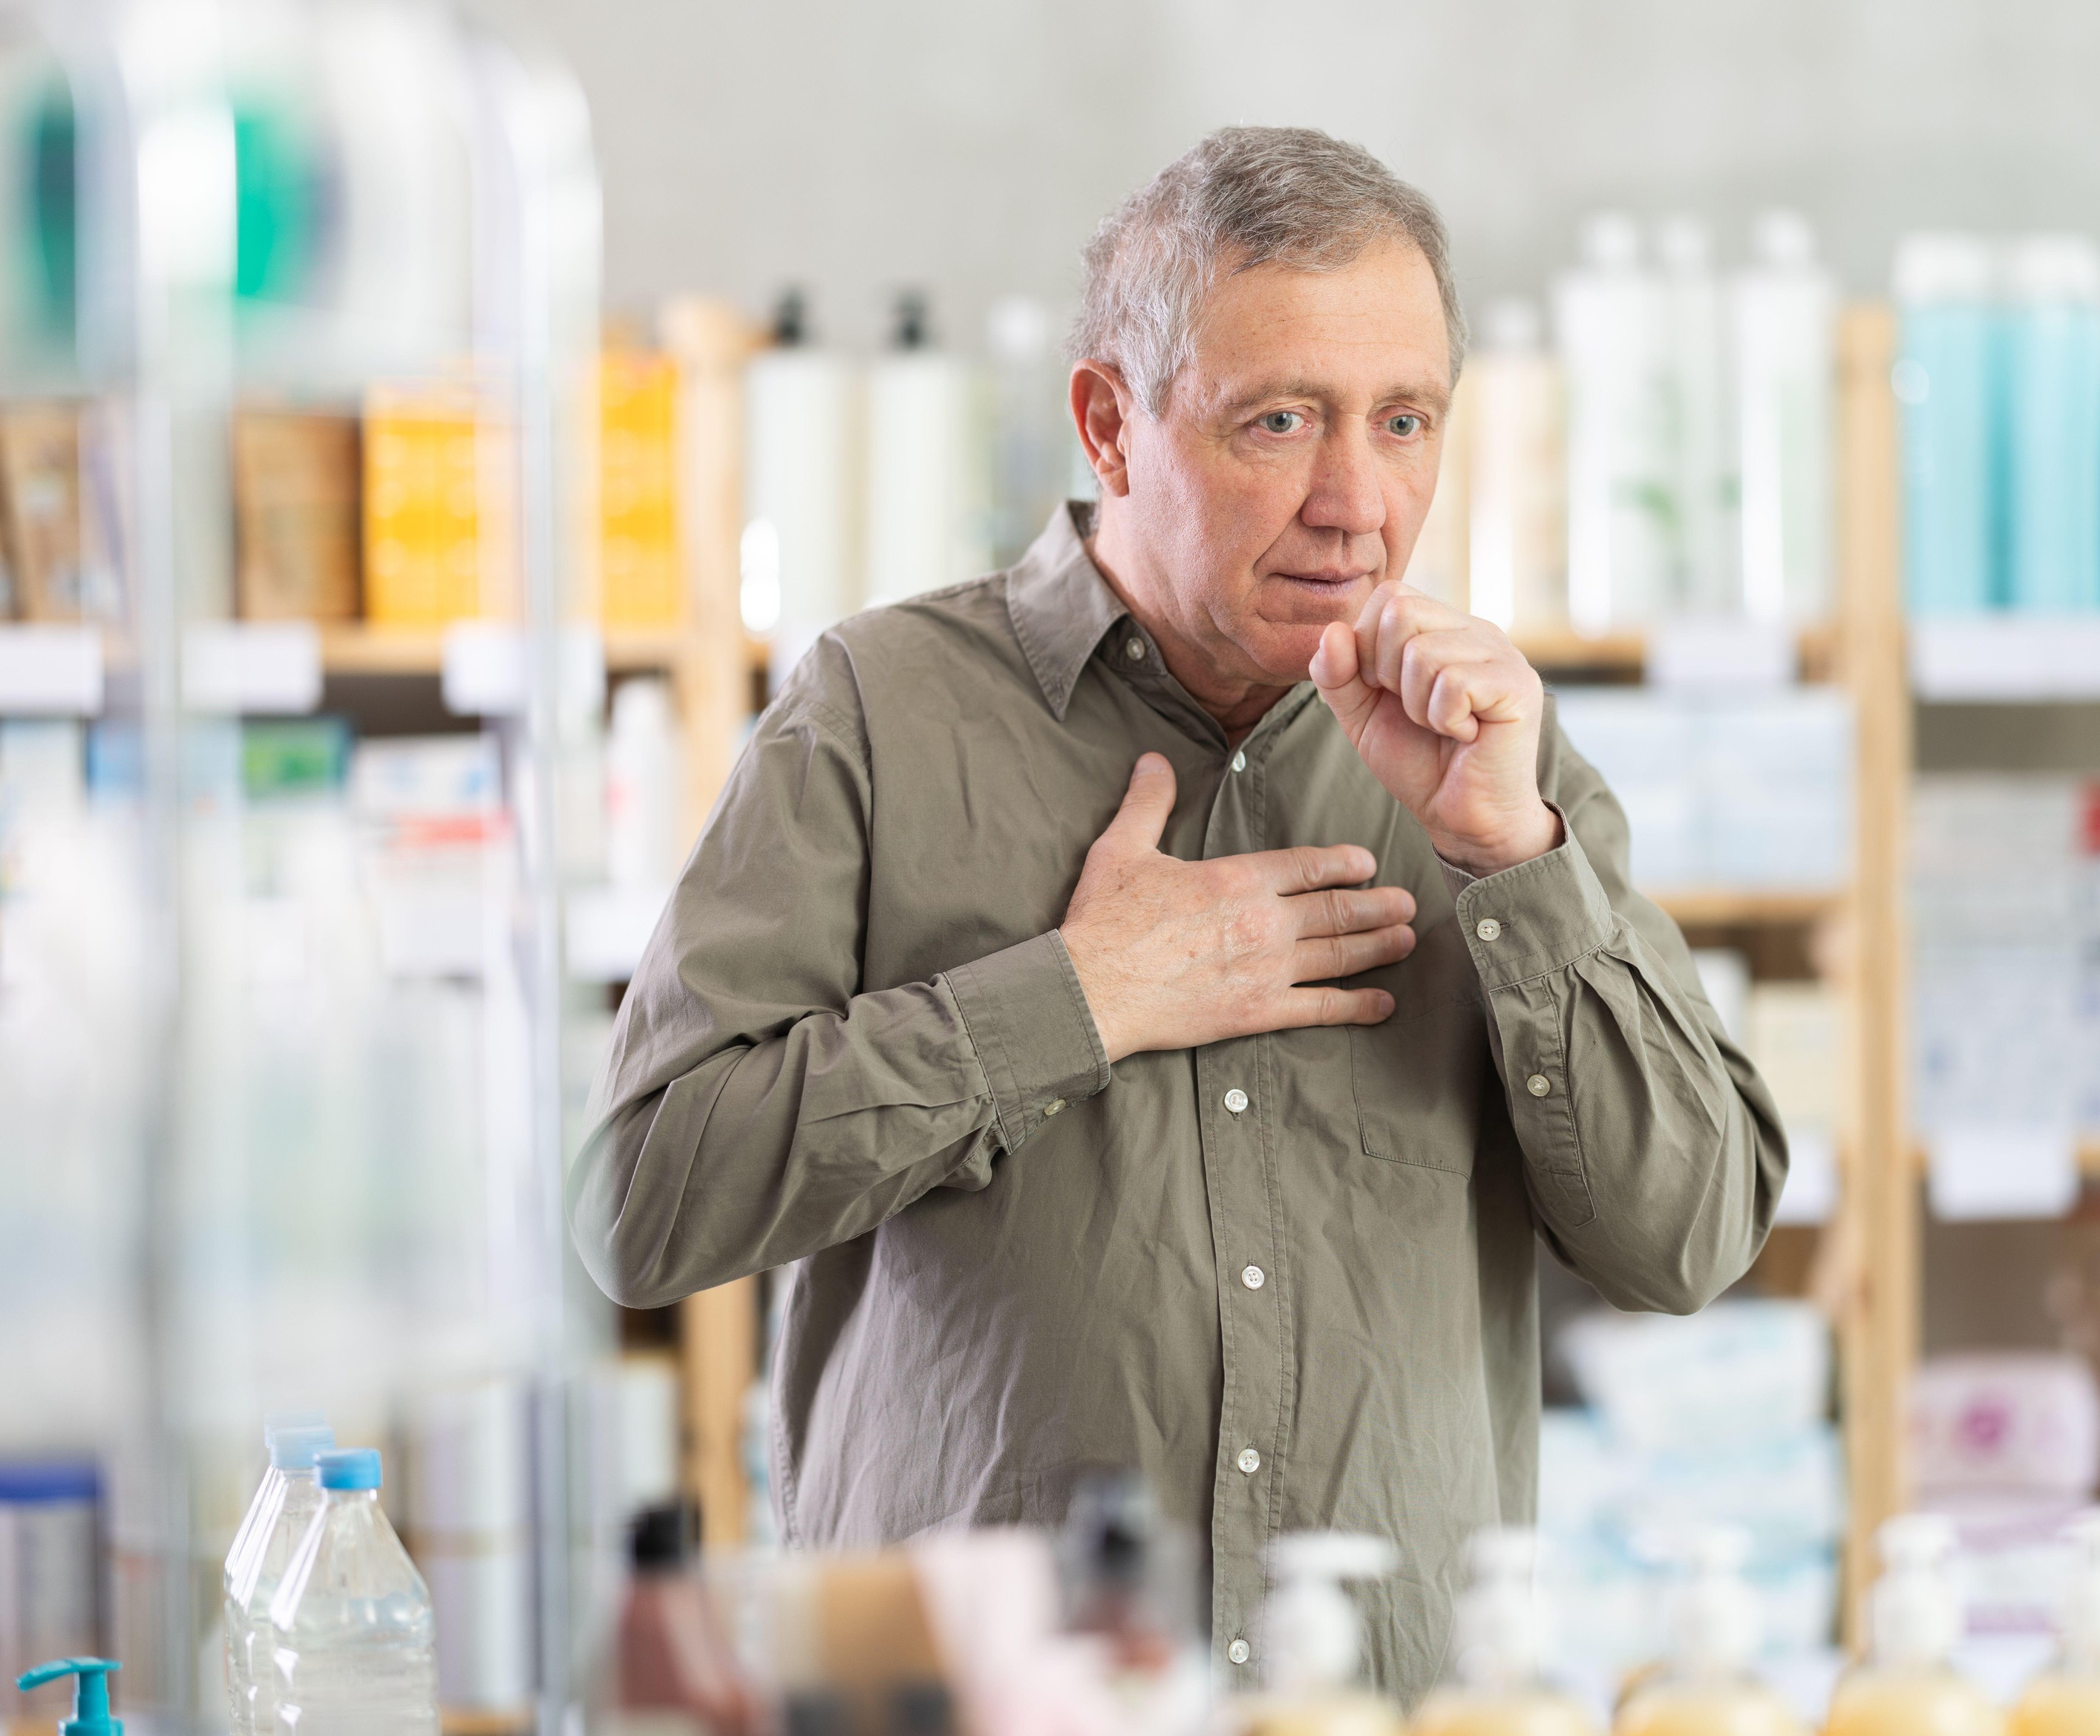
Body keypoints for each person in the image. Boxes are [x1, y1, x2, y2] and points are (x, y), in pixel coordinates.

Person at [572, 125, 1786, 1697]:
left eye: (1403, 422)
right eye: (1277, 421)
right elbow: (637, 1205)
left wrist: (1516, 864)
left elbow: (1688, 1240)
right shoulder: (875, 712)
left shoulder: (1495, 761)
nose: (1356, 502)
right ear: (1109, 425)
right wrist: (1074, 998)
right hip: (970, 1709)